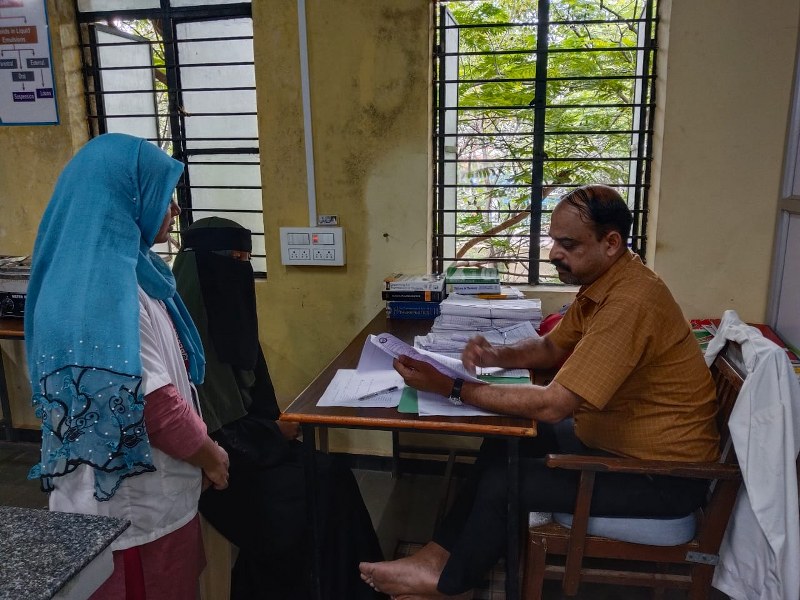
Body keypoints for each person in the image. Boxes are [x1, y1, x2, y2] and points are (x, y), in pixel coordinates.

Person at [359, 184, 720, 599]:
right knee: (502, 445)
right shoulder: (606, 283)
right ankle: (437, 556)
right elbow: (551, 347)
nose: (553, 253)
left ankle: (448, 583)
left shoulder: (631, 302)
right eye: (553, 240)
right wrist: (497, 352)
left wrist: (453, 386)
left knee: (504, 480)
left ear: (611, 243)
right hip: (616, 445)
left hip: (662, 477)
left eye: (567, 244)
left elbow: (553, 405)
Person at [25, 133, 230, 599]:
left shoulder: (122, 271)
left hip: (143, 499)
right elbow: (153, 406)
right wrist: (210, 456)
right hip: (131, 510)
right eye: (164, 195)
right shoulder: (101, 292)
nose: (174, 210)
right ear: (123, 197)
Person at [172, 217, 386, 600]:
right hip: (219, 472)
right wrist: (277, 431)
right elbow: (213, 437)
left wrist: (274, 428)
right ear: (203, 268)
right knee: (324, 486)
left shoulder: (222, 320)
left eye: (246, 259)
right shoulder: (185, 338)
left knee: (331, 475)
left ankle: (357, 584)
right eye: (234, 258)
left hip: (254, 450)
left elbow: (253, 403)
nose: (242, 269)